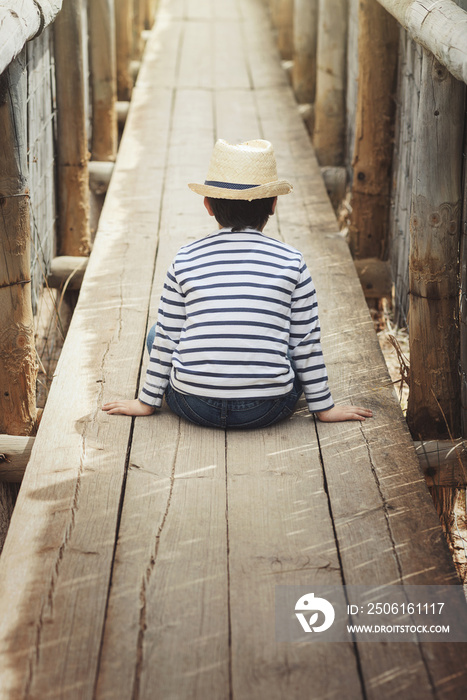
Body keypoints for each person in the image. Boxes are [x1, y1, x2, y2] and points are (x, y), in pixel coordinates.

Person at [102, 139, 372, 428]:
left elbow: (168, 337)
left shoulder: (184, 258)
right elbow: (305, 342)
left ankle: (179, 388)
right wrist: (324, 408)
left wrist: (146, 402)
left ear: (207, 205)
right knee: (290, 342)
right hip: (268, 408)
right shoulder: (293, 261)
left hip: (193, 405)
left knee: (157, 333)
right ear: (273, 205)